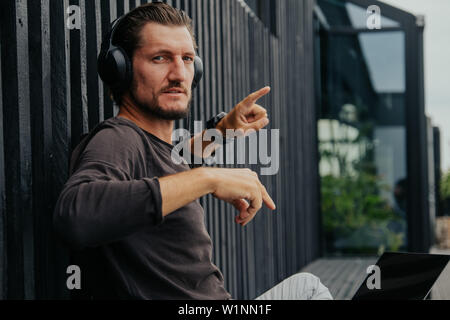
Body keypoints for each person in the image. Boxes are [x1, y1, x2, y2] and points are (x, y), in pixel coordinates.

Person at [53, 2, 332, 300]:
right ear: (120, 68)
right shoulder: (118, 138)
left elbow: (171, 161)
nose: (178, 74)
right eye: (160, 58)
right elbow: (75, 216)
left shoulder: (152, 147)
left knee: (309, 286)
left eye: (187, 59)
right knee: (309, 289)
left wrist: (221, 131)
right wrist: (207, 178)